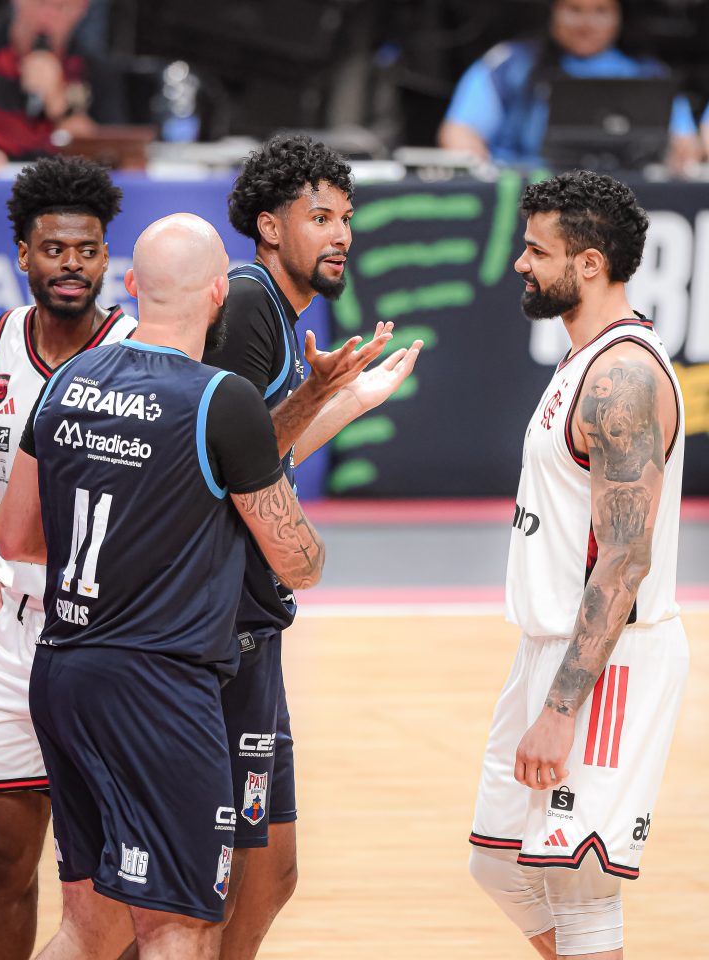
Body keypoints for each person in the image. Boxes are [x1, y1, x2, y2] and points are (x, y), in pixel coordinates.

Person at [0, 212, 326, 960]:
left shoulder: (67, 380)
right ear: (218, 293)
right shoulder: (220, 399)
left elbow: (17, 539)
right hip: (160, 692)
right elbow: (296, 563)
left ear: (132, 285)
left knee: (89, 928)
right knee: (180, 927)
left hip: (64, 673)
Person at [203, 135, 423, 960]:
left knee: (270, 874)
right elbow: (227, 464)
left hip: (252, 626)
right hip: (219, 630)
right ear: (270, 226)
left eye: (347, 219)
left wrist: (348, 398)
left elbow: (268, 444)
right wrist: (321, 393)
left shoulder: (277, 310)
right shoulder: (251, 305)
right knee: (206, 887)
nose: (342, 235)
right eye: (320, 217)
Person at [468, 170, 688, 959]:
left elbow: (625, 559)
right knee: (497, 862)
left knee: (582, 891)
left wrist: (562, 708)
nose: (521, 264)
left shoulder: (624, 377)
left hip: (608, 662)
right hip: (548, 646)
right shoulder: (584, 358)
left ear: (589, 263)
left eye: (537, 250)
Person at [0, 154, 137, 960]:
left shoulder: (139, 353)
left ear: (107, 258)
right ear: (24, 254)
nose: (72, 264)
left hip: (108, 638)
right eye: (55, 249)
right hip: (13, 638)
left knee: (114, 882)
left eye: (87, 250)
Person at [437, 0, 700, 172]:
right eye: (574, 10)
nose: (587, 24)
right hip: (528, 193)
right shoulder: (511, 64)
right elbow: (459, 132)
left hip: (627, 200)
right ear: (553, 11)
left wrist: (682, 155)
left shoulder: (648, 73)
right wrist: (482, 171)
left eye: (601, 12)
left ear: (619, 16)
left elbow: (685, 143)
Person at [0, 0, 125, 173]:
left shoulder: (95, 68)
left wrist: (58, 101)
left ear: (82, 8)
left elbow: (109, 152)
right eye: (39, 3)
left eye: (61, 7)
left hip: (63, 187)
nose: (47, 16)